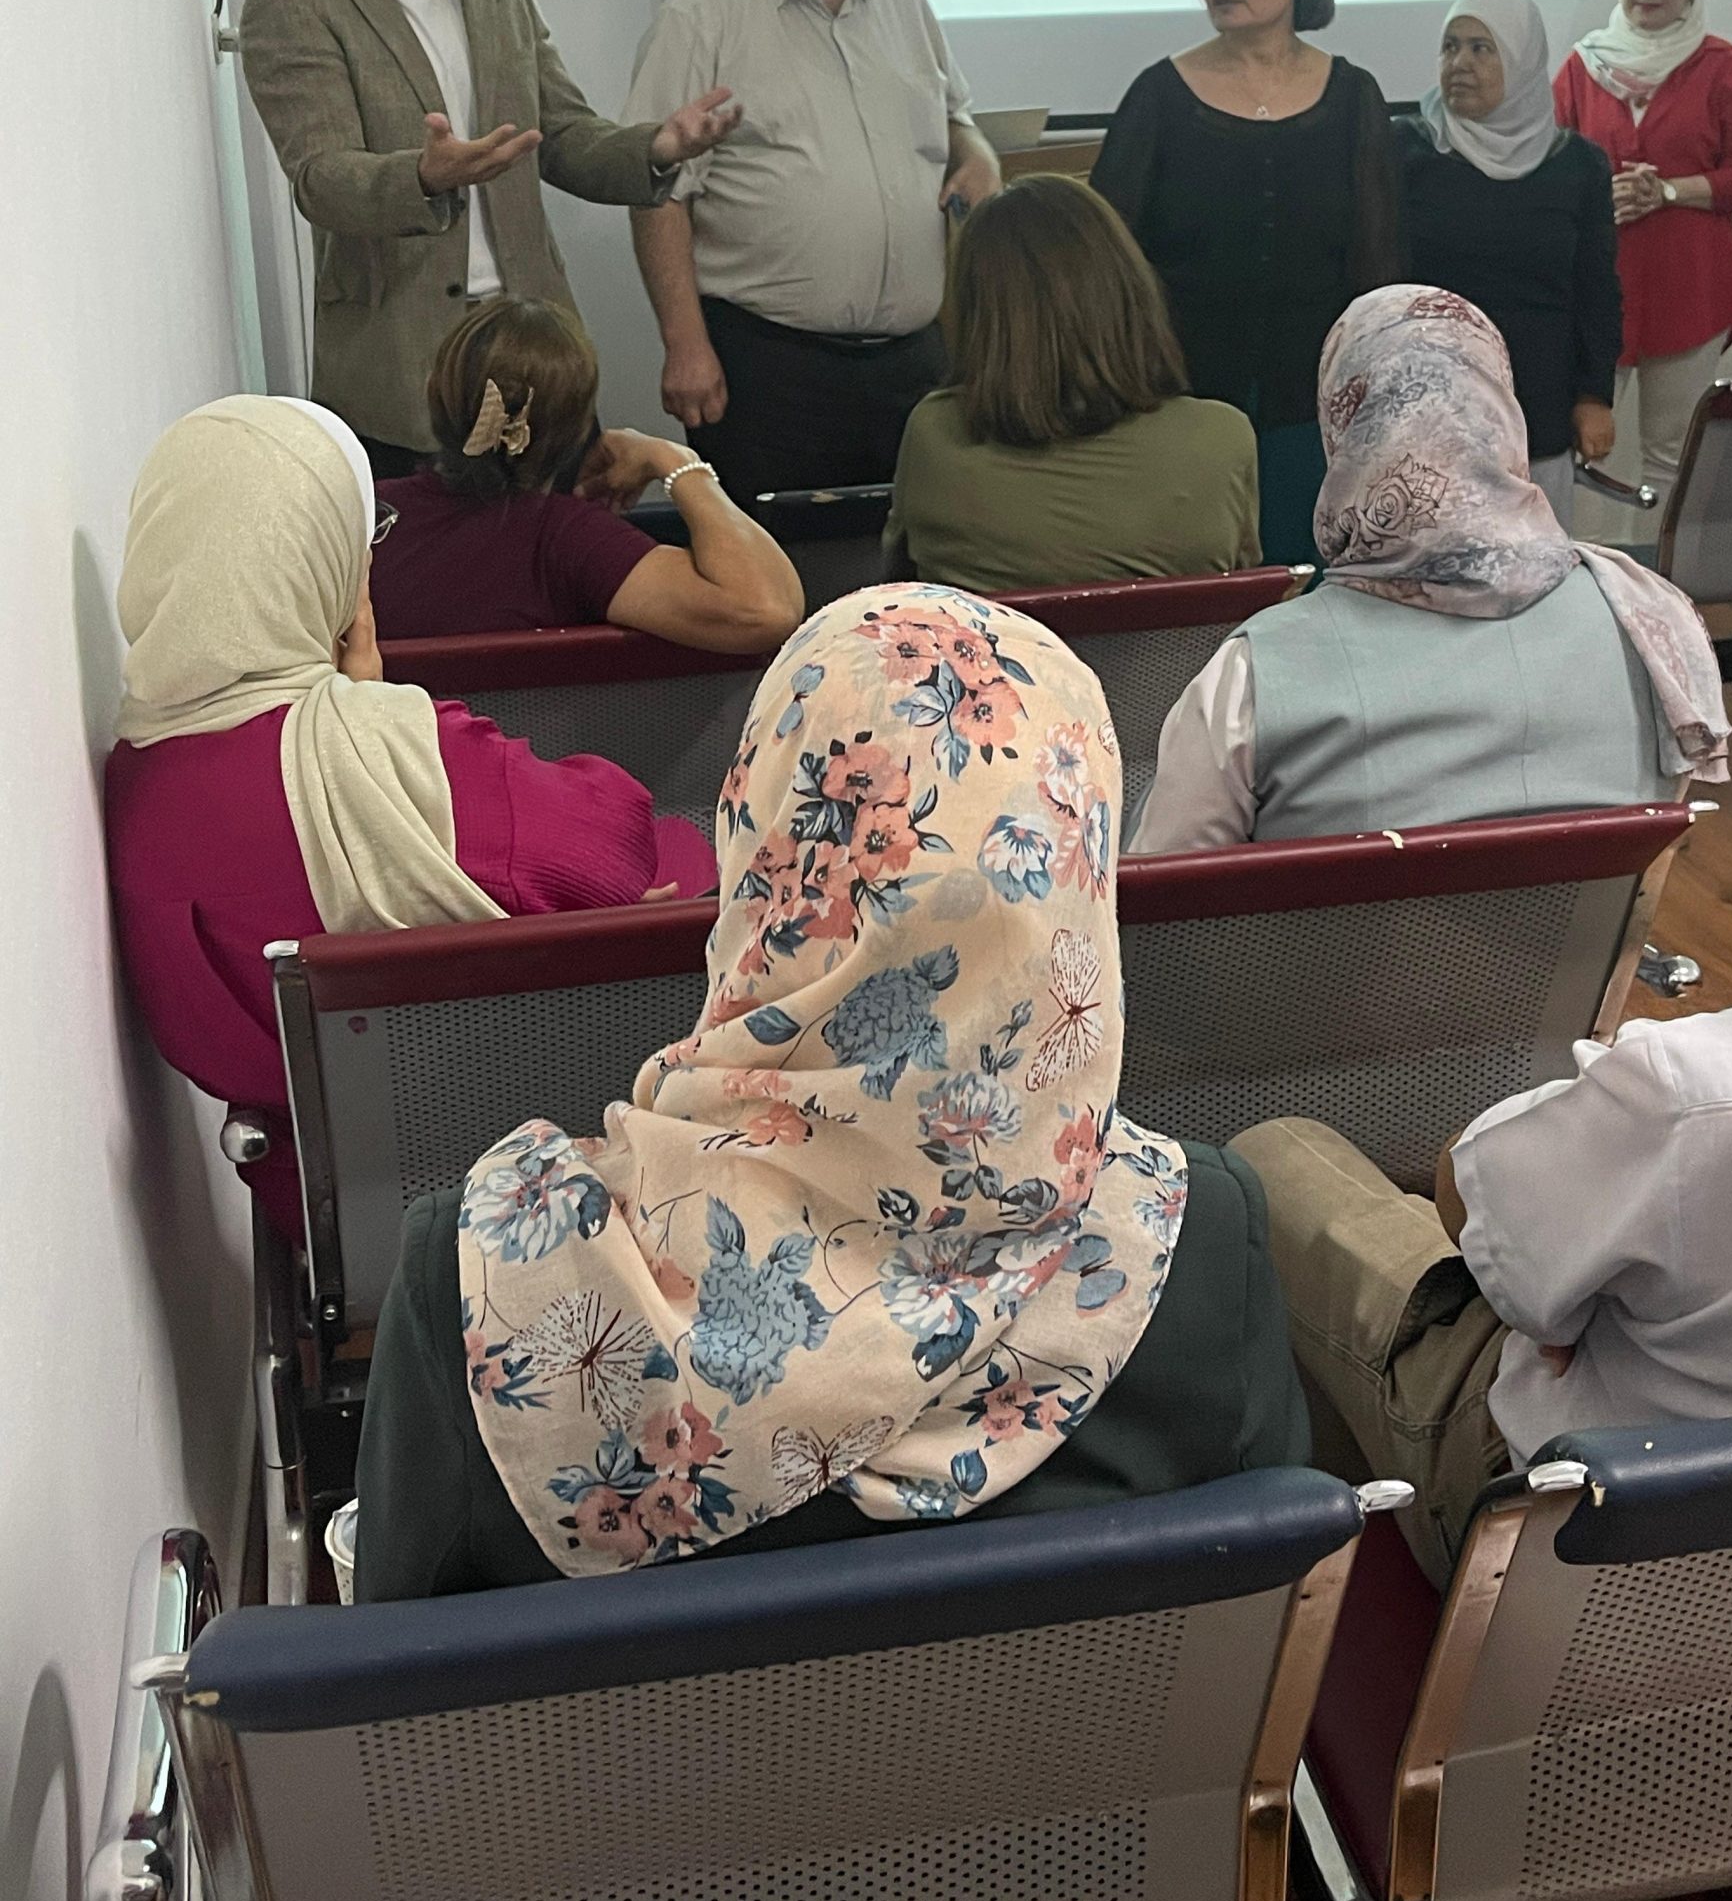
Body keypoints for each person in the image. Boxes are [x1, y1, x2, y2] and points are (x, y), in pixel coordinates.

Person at [354, 585, 1310, 1596]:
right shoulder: (1196, 1254)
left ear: (762, 840)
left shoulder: (484, 1286)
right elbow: (1273, 1615)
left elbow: (393, 1683)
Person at [1229, 601, 1732, 1584]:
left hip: (1581, 1560)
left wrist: (1550, 1273)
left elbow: (1478, 1215)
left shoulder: (1711, 1103)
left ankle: (1340, 1575)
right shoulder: (1636, 615)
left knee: (1274, 1159)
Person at [105, 397, 719, 1241]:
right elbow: (615, 850)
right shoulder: (390, 760)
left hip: (340, 1230)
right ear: (315, 558)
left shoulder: (134, 786)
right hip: (557, 1197)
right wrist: (372, 705)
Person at [241, 0, 740, 475]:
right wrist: (423, 175)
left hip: (535, 351)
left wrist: (657, 146)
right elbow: (322, 179)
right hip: (401, 372)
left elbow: (560, 135)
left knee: (563, 543)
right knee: (432, 549)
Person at [1129, 286, 1728, 853]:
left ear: (1344, 427)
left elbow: (1160, 892)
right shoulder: (1651, 629)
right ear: (1502, 412)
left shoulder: (1256, 677)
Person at [621, 0, 1000, 501]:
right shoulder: (698, 20)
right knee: (781, 567)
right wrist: (684, 344)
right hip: (769, 372)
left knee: (915, 562)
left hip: (915, 367)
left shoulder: (905, 2)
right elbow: (657, 193)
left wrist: (980, 156)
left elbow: (957, 120)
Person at [1091, 0, 1402, 565]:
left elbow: (1380, 271)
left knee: (1306, 587)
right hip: (1178, 418)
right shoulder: (1158, 98)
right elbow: (1105, 271)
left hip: (1316, 421)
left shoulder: (1354, 98)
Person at [882, 175, 1261, 593]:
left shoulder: (934, 434)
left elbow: (897, 588)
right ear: (1128, 288)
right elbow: (1246, 595)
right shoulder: (1222, 439)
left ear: (978, 317)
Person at [369, 296, 804, 650]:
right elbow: (768, 610)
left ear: (433, 393)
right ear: (580, 427)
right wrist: (674, 461)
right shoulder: (567, 540)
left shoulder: (361, 513)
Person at [1552, 0, 1732, 525]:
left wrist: (1669, 192)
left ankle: (1660, 575)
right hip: (1597, 288)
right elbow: (1546, 164)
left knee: (1672, 453)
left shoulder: (1721, 67)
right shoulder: (1581, 68)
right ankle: (1590, 573)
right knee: (1584, 444)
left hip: (1691, 288)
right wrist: (1598, 197)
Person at [1395, 0, 1620, 527]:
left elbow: (1596, 289)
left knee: (1537, 552)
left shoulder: (1577, 166)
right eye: (1450, 46)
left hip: (1537, 397)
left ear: (1522, 61)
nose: (1460, 64)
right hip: (1430, 396)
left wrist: (1593, 395)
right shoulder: (1406, 152)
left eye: (1481, 48)